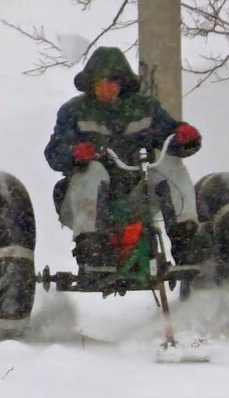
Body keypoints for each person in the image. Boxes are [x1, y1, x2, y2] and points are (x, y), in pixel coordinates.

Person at [44, 46, 202, 280]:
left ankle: (186, 239)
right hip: (85, 200)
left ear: (122, 83)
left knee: (169, 164)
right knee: (93, 170)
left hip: (137, 195)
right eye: (99, 83)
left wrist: (184, 136)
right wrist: (75, 154)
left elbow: (169, 136)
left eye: (112, 82)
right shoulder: (74, 112)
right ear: (91, 85)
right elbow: (54, 152)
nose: (106, 88)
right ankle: (91, 249)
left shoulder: (144, 109)